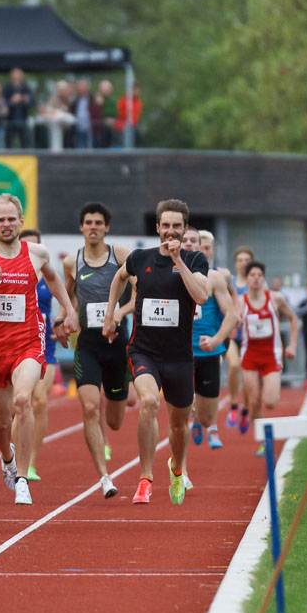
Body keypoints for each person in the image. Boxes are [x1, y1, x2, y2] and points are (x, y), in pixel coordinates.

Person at [0, 194, 77, 505]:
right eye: (0, 220)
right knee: (1, 420)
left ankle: (22, 477)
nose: (6, 224)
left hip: (28, 342)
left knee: (23, 400)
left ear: (21, 221)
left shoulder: (36, 253)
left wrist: (69, 309)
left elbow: (53, 279)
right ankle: (7, 459)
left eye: (12, 219)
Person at [103, 200, 208, 506]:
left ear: (185, 228)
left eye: (177, 226)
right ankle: (145, 478)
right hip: (143, 351)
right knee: (149, 402)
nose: (171, 231)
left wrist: (180, 261)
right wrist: (111, 314)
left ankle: (176, 469)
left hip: (179, 357)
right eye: (166, 225)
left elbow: (201, 295)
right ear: (158, 227)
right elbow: (118, 277)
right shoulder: (139, 258)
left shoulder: (196, 259)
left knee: (178, 425)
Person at [62, 203, 133, 498]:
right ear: (81, 227)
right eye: (88, 222)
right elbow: (69, 298)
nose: (93, 227)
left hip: (117, 345)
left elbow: (138, 297)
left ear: (106, 228)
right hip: (88, 345)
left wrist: (119, 313)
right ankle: (105, 478)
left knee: (115, 422)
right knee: (90, 408)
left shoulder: (121, 256)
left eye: (98, 223)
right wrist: (65, 317)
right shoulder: (71, 262)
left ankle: (109, 425)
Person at [183, 228, 238, 453]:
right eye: (184, 240)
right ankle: (180, 472)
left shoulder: (217, 276)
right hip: (180, 353)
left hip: (209, 349)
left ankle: (204, 421)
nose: (189, 244)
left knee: (206, 415)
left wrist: (217, 339)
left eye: (194, 241)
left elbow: (232, 310)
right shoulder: (168, 274)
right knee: (178, 414)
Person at [239, 261, 299, 445]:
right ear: (247, 279)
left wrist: (292, 346)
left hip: (271, 355)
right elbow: (230, 323)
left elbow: (293, 318)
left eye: (259, 275)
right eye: (252, 275)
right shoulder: (241, 302)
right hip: (249, 355)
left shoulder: (275, 298)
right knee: (255, 401)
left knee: (270, 402)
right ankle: (263, 441)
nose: (256, 278)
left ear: (263, 278)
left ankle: (250, 407)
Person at [19, 229, 59, 483]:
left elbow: (63, 301)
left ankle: (31, 462)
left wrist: (64, 319)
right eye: (27, 246)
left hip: (45, 344)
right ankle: (11, 454)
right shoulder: (9, 272)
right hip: (14, 343)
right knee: (16, 404)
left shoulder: (47, 274)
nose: (31, 251)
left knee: (40, 401)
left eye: (35, 247)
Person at [225, 247, 253, 431]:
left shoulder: (256, 283)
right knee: (234, 365)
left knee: (249, 376)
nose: (243, 263)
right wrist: (228, 328)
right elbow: (224, 307)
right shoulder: (230, 283)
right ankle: (234, 405)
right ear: (235, 263)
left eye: (246, 260)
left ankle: (247, 410)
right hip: (233, 335)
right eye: (240, 259)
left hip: (251, 337)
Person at [2, 68, 33, 149]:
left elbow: (31, 103)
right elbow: (3, 104)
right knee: (9, 144)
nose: (17, 76)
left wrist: (23, 99)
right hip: (10, 121)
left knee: (25, 144)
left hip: (23, 120)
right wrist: (12, 101)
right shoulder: (7, 88)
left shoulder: (26, 88)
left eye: (19, 74)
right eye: (15, 74)